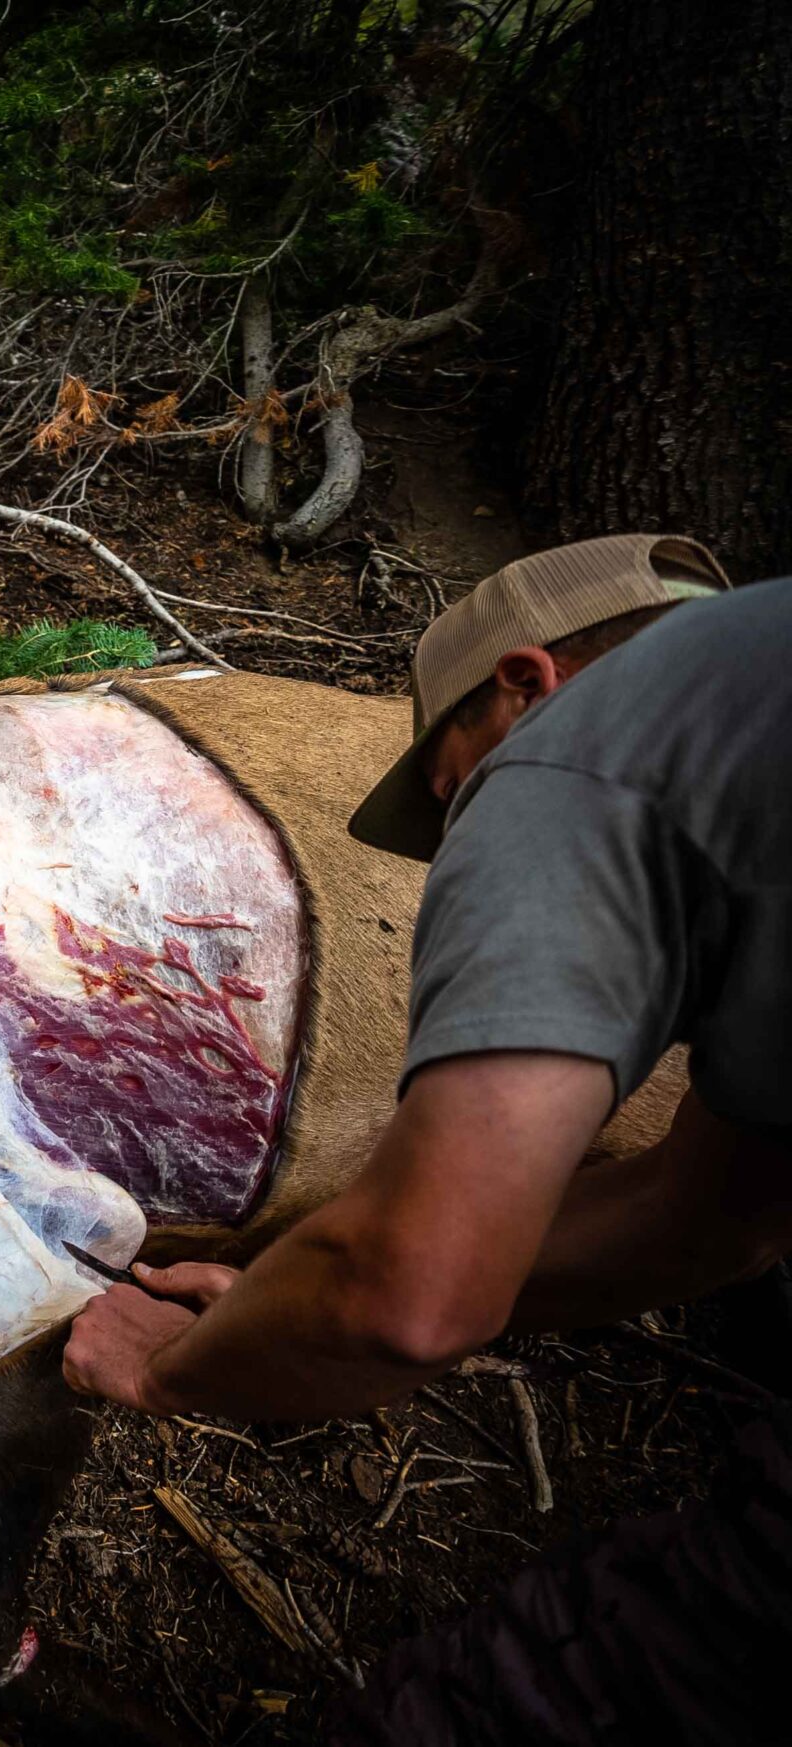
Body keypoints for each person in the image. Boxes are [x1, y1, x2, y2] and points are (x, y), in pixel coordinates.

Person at [60, 533, 792, 1741]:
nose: (458, 829)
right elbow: (713, 1216)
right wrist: (273, 1301)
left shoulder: (579, 748)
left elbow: (409, 1299)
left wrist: (165, 1366)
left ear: (523, 683)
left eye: (449, 789)